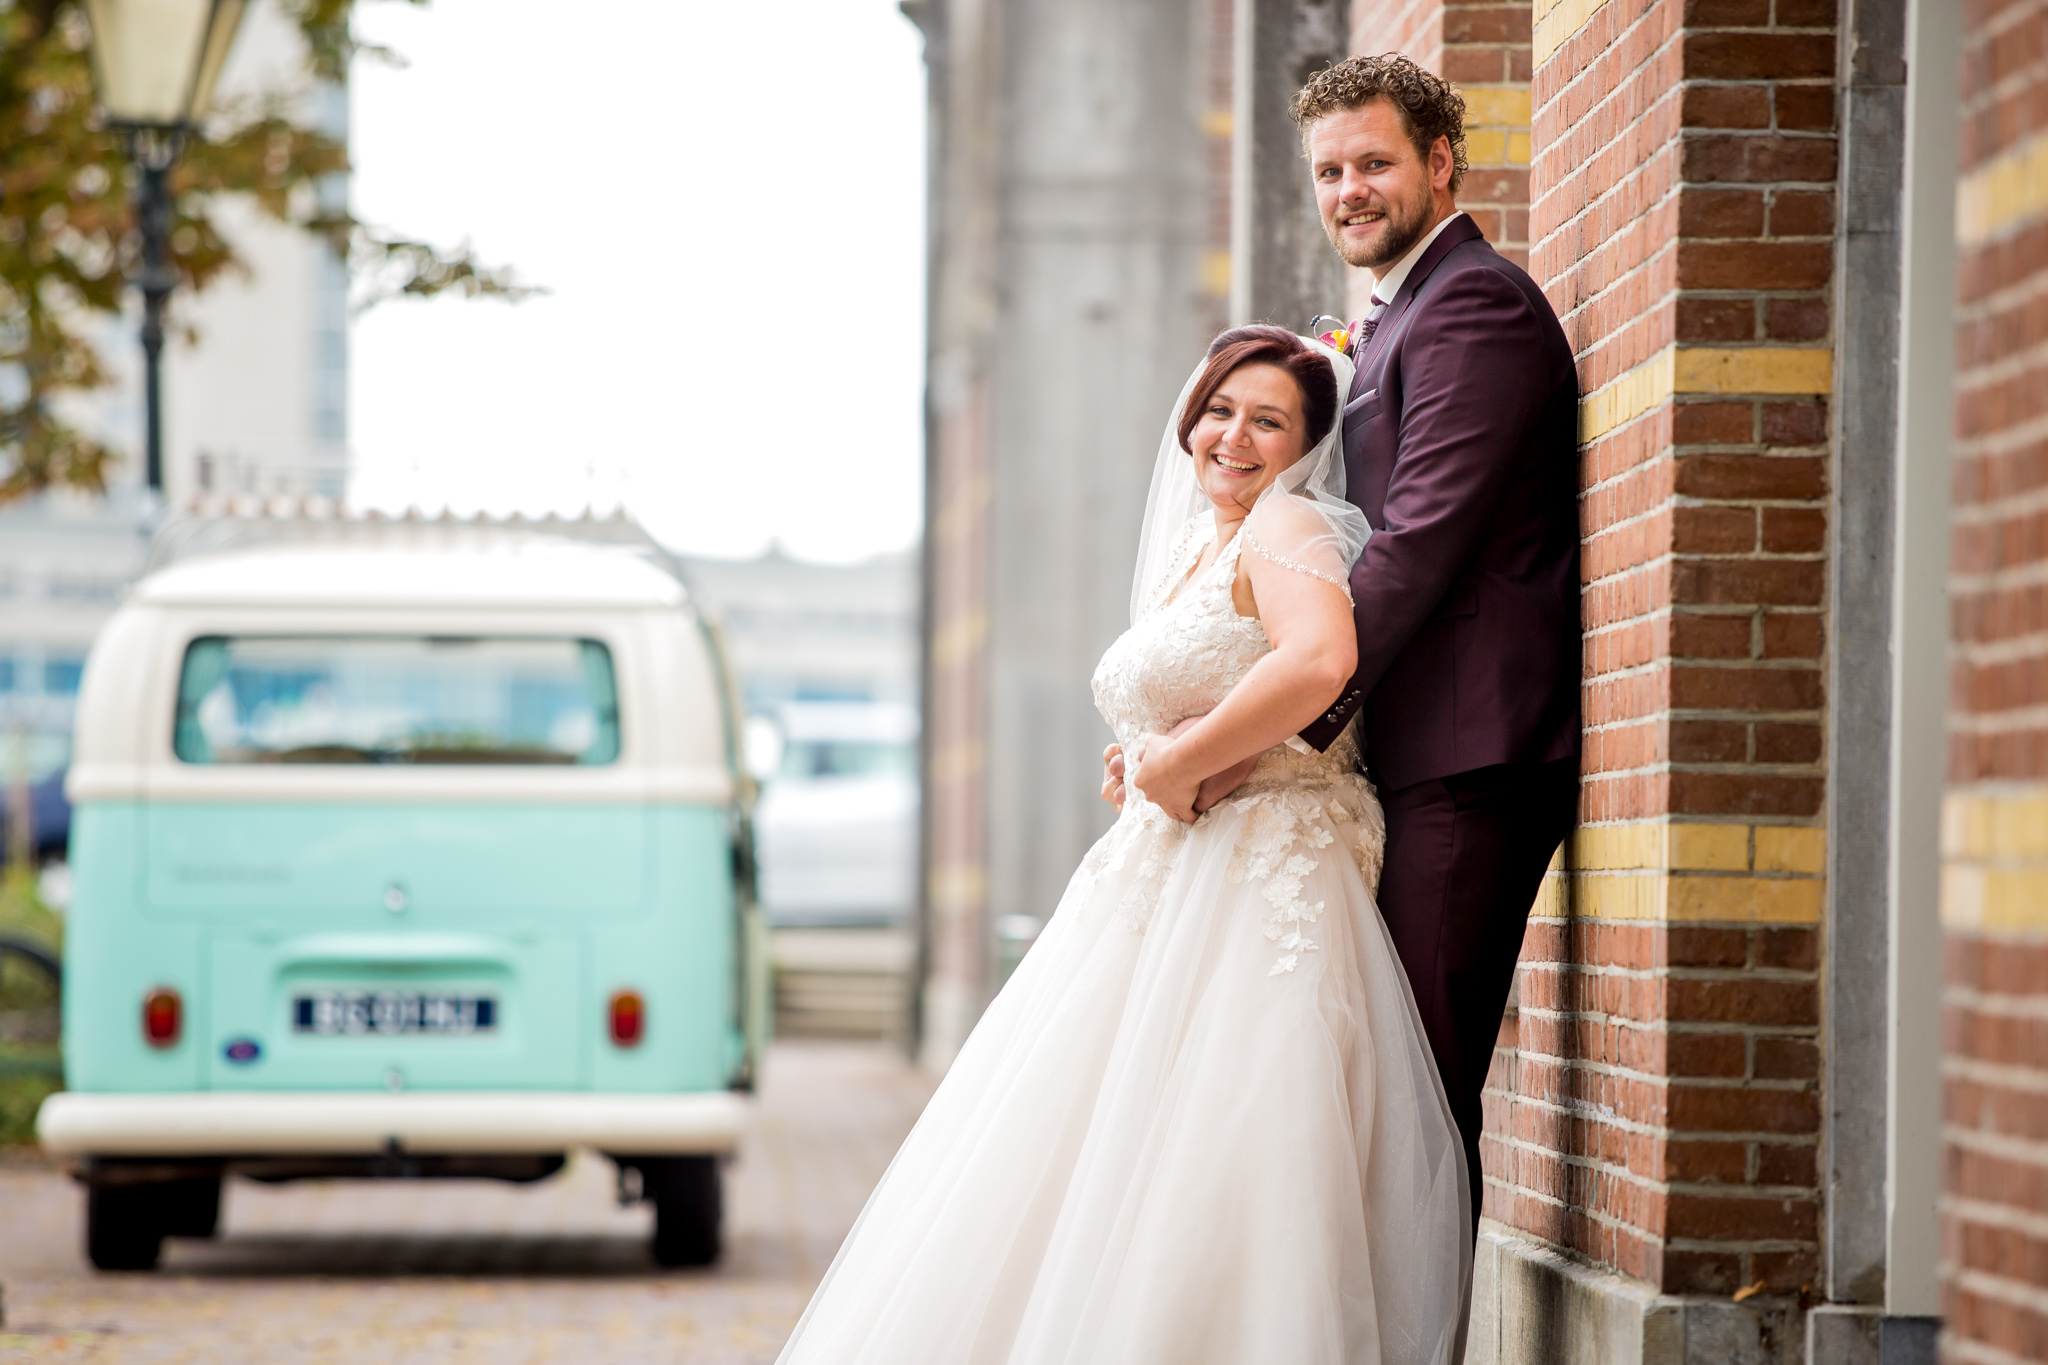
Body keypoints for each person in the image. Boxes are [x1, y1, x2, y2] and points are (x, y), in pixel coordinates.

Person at [777, 326, 1471, 1365]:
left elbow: (1319, 660)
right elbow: (1213, 683)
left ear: (1304, 447)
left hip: (1258, 875)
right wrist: (1151, 752)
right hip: (1167, 876)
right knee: (1096, 1148)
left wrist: (1175, 756)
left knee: (1227, 1145)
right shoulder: (1204, 541)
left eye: (1268, 420)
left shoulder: (1286, 524)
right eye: (1220, 410)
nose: (1234, 436)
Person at [1106, 55, 1582, 1233]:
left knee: (1414, 1102)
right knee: (1362, 1096)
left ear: (1439, 161)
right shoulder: (1399, 315)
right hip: (1408, 761)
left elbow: (1415, 542)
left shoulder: (1470, 303)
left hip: (1468, 764)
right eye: (1328, 171)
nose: (1348, 190)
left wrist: (1257, 735)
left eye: (1373, 163)